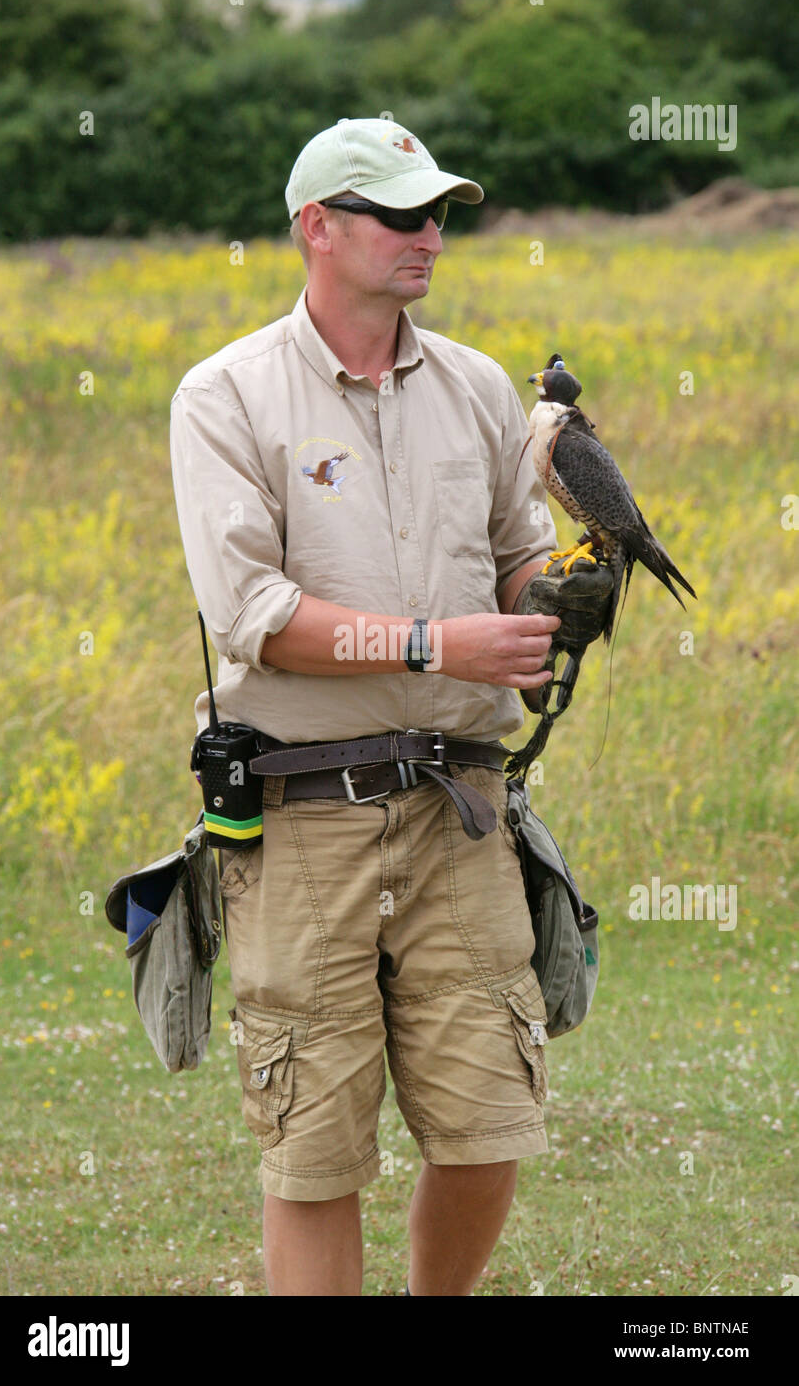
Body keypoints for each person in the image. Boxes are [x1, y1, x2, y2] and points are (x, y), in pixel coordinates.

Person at [169, 116, 563, 1297]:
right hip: (298, 816)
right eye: (397, 213)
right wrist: (436, 639)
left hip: (460, 808)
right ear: (317, 227)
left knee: (491, 1123)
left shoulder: (483, 387)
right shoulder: (224, 394)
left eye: (437, 211)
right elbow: (253, 611)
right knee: (314, 1150)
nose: (427, 233)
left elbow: (517, 562)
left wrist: (564, 599)